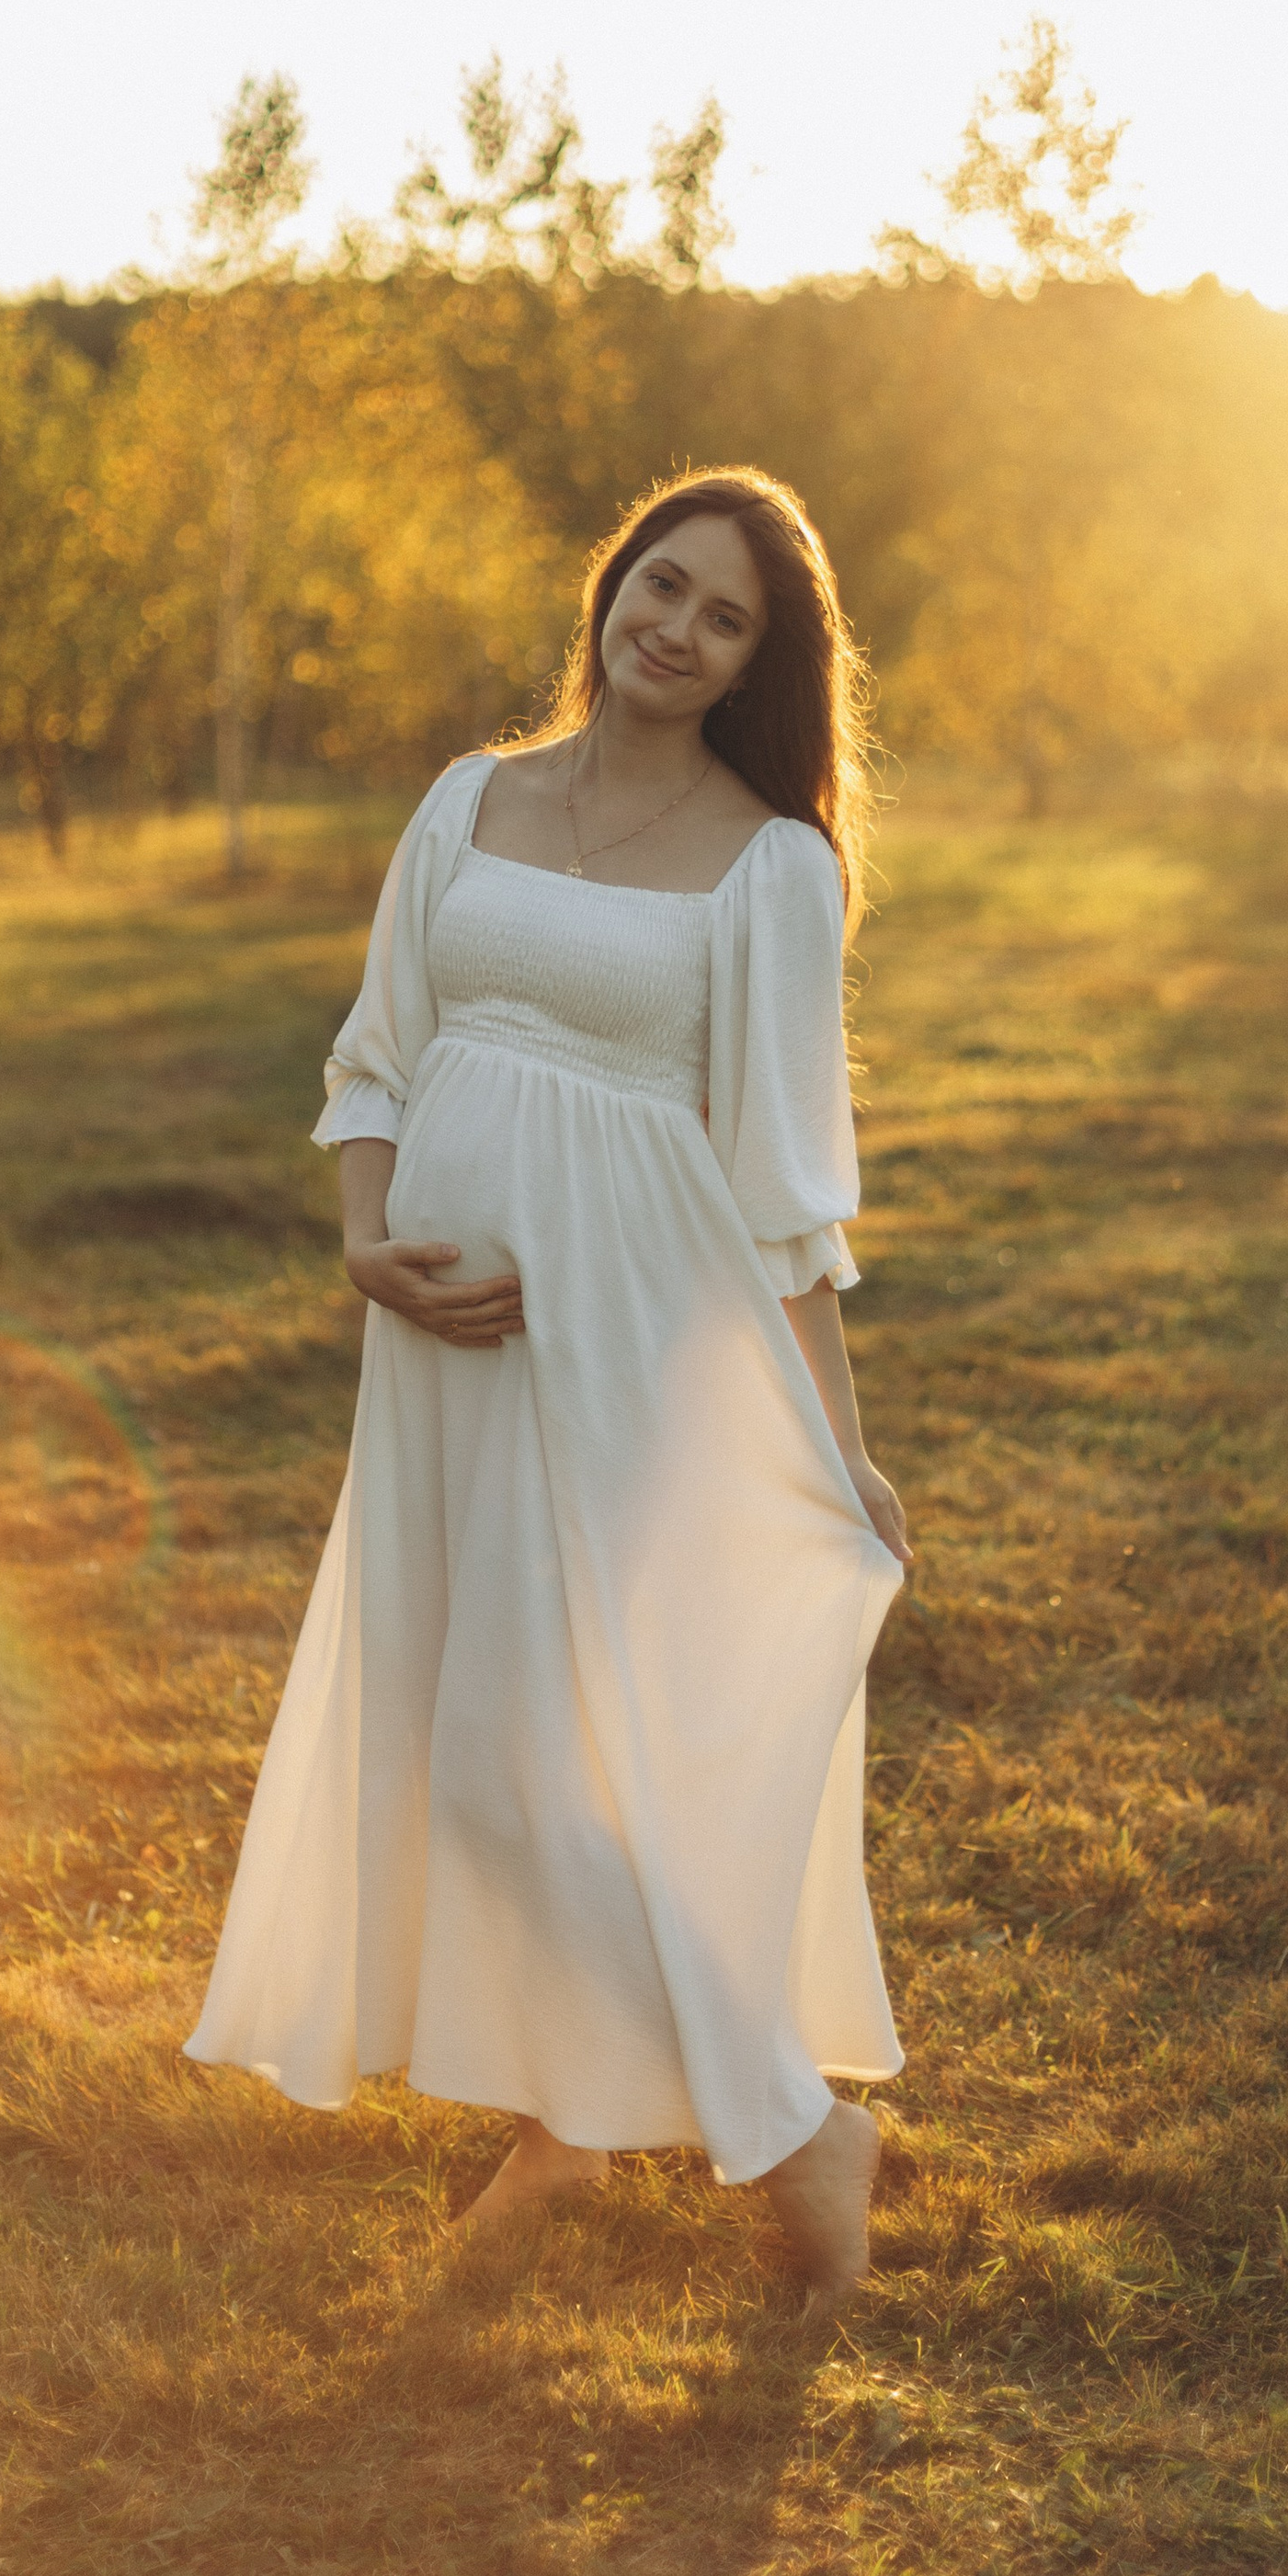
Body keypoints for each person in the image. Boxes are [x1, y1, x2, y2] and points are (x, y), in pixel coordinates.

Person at [186, 467, 911, 2308]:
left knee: (539, 1755)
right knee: (465, 1738)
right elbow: (377, 1056)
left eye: (721, 615)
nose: (670, 624)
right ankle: (566, 2125)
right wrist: (367, 1240)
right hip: (434, 1345)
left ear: (759, 660)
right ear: (610, 586)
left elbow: (780, 1196)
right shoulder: (467, 800)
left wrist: (838, 1447)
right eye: (657, 582)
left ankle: (790, 2120)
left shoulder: (770, 866)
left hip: (630, 1340)